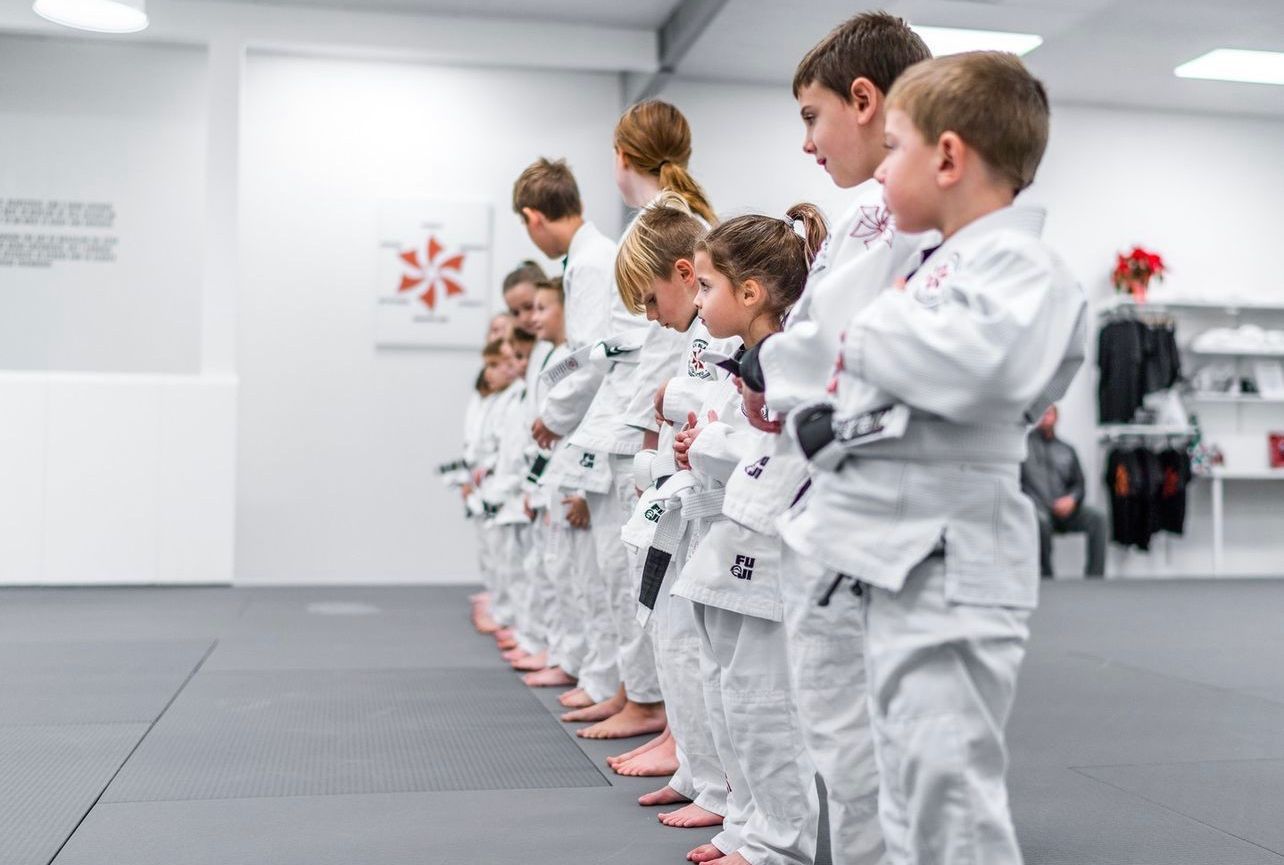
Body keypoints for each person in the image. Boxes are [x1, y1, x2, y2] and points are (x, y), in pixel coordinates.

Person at [781, 51, 1087, 865]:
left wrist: (867, 329)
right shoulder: (933, 267)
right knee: (903, 783)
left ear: (947, 157)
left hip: (957, 560)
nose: (882, 172)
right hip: (900, 553)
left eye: (894, 149)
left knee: (947, 792)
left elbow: (984, 367)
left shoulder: (1025, 266)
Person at [732, 13, 932, 865]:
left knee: (877, 747)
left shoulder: (922, 218)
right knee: (842, 738)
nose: (808, 145)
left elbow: (855, 357)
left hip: (884, 507)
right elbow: (812, 350)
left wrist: (769, 365)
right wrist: (766, 382)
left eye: (811, 118)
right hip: (826, 500)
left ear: (863, 100)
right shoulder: (863, 222)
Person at [671, 206, 828, 865]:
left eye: (706, 286)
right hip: (742, 525)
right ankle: (746, 822)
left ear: (751, 292)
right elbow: (746, 436)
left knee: (767, 701)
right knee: (732, 695)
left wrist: (709, 439)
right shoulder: (756, 365)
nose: (698, 301)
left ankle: (779, 842)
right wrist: (704, 437)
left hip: (773, 537)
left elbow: (787, 445)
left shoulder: (794, 362)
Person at [610, 197, 735, 829]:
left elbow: (730, 413)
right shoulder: (693, 335)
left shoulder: (725, 329)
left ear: (686, 274)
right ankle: (695, 769)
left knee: (701, 652)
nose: (654, 319)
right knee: (674, 641)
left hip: (713, 512)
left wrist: (682, 413)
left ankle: (719, 785)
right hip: (679, 503)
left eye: (652, 302)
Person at [511, 157, 622, 714]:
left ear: (534, 217)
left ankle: (611, 684)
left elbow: (594, 360)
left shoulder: (594, 261)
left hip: (601, 431)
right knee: (582, 573)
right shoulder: (588, 259)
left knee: (602, 579)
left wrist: (553, 416)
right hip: (591, 430)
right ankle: (602, 679)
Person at [1022, 404, 1106, 578]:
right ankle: (1046, 576)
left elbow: (1079, 484)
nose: (1046, 417)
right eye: (1043, 413)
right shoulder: (1023, 448)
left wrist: (1072, 499)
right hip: (1037, 510)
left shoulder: (1067, 450)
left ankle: (1095, 577)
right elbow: (1017, 484)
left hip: (1065, 510)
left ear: (1056, 417)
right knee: (1040, 521)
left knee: (1098, 518)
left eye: (1050, 413)